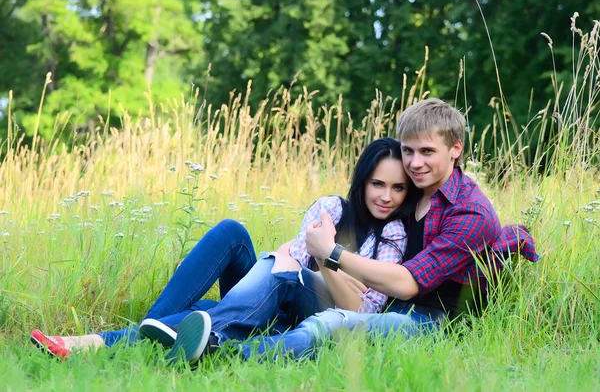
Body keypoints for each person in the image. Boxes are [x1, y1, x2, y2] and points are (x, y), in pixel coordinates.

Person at [167, 98, 539, 361]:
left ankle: (220, 353)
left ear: (455, 149)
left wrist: (331, 254)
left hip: (427, 321)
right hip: (371, 304)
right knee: (257, 277)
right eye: (408, 151)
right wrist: (296, 252)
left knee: (332, 323)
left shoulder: (470, 213)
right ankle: (136, 335)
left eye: (427, 152)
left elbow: (408, 282)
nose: (414, 162)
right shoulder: (411, 196)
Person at [30, 137, 420, 360]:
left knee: (271, 279)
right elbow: (288, 261)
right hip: (272, 300)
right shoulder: (331, 207)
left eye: (397, 188)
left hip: (306, 314)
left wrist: (326, 256)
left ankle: (165, 334)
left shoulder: (395, 235)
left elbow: (356, 310)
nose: (386, 196)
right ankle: (150, 328)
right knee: (234, 235)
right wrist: (330, 271)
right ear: (361, 181)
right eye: (377, 184)